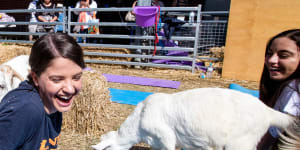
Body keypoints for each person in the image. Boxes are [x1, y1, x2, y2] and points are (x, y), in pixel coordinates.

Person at [0, 33, 85, 149]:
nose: (70, 89)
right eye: (57, 80)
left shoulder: (53, 103)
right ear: (35, 78)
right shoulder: (26, 110)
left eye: (76, 77)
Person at [257, 29, 300, 149]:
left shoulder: (293, 88)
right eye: (269, 53)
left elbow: (268, 139)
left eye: (284, 55)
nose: (271, 60)